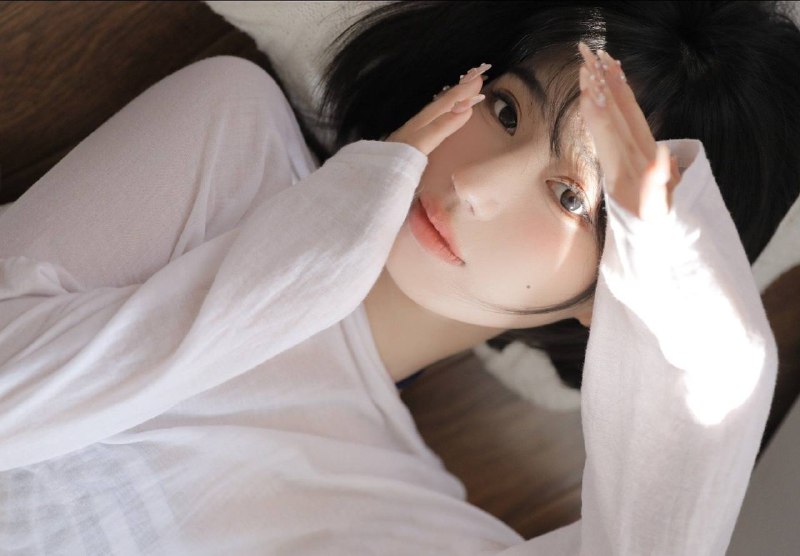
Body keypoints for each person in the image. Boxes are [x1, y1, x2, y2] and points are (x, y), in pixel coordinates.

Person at [0, 2, 797, 555]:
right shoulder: (235, 144)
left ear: (623, 292)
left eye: (569, 198)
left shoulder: (419, 533)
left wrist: (679, 269)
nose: (475, 186)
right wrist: (315, 255)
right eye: (507, 112)